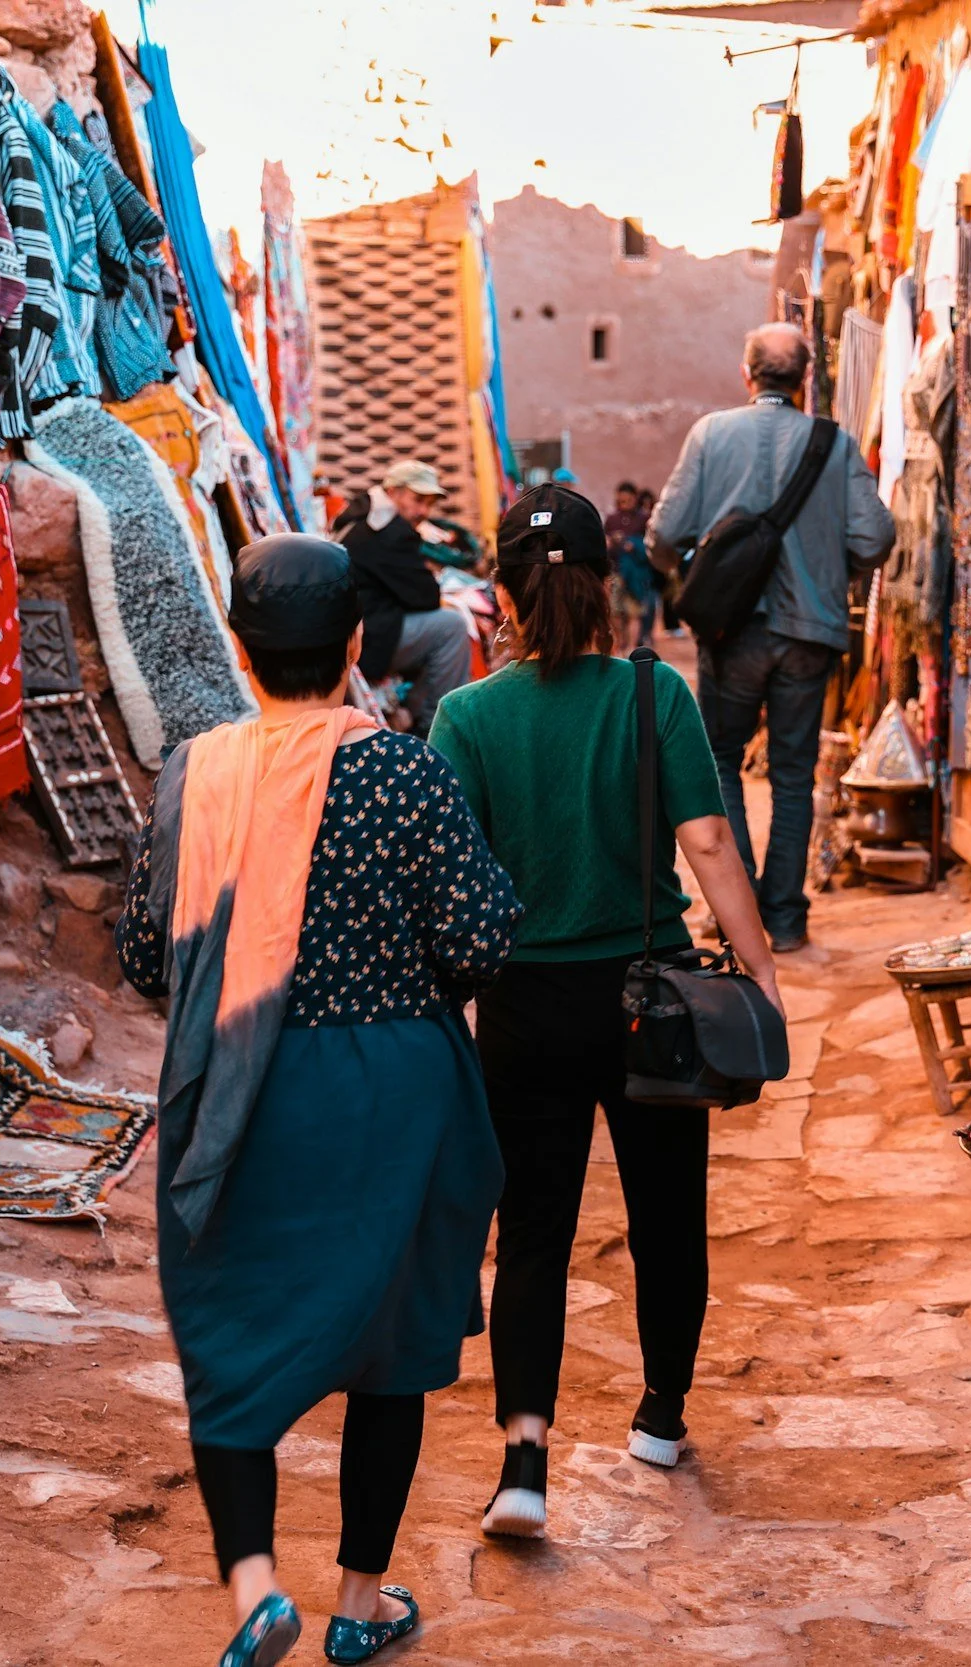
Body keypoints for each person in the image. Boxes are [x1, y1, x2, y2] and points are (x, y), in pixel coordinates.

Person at [118, 534, 521, 1667]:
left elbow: (149, 958)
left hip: (243, 1082)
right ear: (354, 645)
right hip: (392, 1088)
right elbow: (483, 938)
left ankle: (254, 1584)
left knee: (226, 1318)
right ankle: (358, 1595)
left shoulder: (194, 776)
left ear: (242, 654)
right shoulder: (403, 770)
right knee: (390, 1339)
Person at [428, 483, 782, 1542]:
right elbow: (710, 844)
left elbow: (453, 882)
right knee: (666, 1214)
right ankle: (660, 1416)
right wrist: (760, 974)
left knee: (532, 1230)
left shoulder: (467, 716)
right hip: (650, 997)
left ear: (499, 590)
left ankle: (525, 1460)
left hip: (523, 1006)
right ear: (601, 589)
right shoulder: (651, 696)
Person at [652, 321, 895, 953]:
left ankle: (740, 910)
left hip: (732, 633)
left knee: (723, 764)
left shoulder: (709, 434)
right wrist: (826, 565)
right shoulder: (834, 444)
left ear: (747, 372)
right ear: (806, 378)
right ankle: (786, 918)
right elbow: (874, 539)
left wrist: (698, 567)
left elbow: (663, 534)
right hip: (810, 632)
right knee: (793, 773)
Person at [332, 459, 475, 734]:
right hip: (368, 636)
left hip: (353, 627)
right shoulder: (388, 530)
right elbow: (426, 596)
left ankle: (410, 714)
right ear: (394, 492)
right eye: (418, 499)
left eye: (429, 503)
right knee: (452, 627)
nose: (423, 511)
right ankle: (440, 729)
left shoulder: (358, 516)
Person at [603, 480, 659, 650]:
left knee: (640, 612)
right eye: (621, 501)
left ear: (635, 498)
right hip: (618, 573)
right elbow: (605, 545)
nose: (624, 504)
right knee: (617, 613)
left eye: (627, 500)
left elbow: (653, 545)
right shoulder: (612, 519)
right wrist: (612, 543)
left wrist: (634, 545)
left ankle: (638, 646)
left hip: (640, 574)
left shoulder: (645, 519)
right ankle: (623, 646)